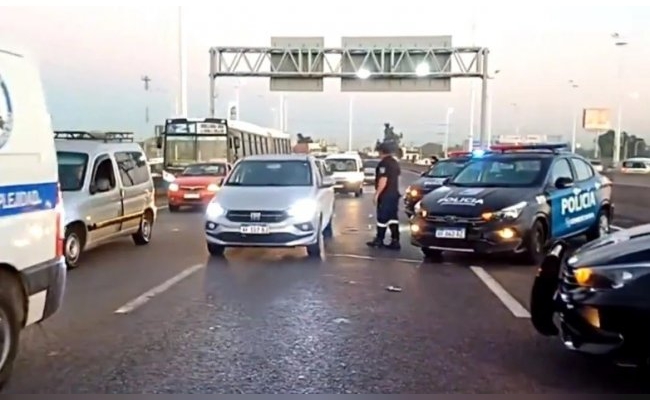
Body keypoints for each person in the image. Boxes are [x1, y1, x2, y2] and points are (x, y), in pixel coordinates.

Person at [366, 142, 401, 250]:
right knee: (393, 218)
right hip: (394, 194)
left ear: (381, 151)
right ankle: (395, 240)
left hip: (385, 195)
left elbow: (383, 179)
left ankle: (379, 240)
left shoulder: (384, 164)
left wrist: (377, 194)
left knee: (382, 218)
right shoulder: (395, 163)